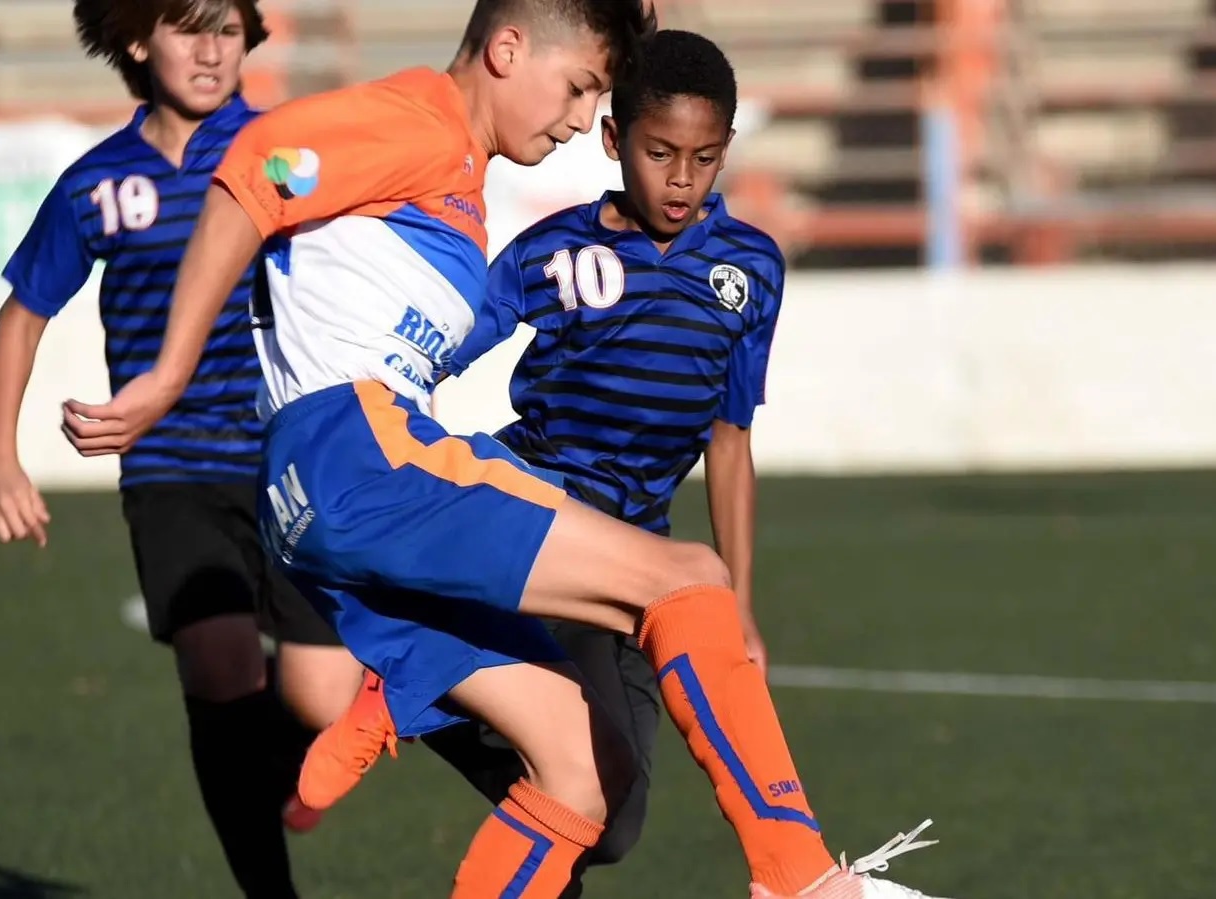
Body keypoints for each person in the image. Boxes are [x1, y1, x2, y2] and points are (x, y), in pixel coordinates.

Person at [60, 2, 947, 895]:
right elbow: (254, 170)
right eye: (575, 90)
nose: (572, 121)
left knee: (583, 775)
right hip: (359, 455)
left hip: (331, 488)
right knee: (690, 579)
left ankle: (398, 688)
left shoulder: (457, 184)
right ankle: (798, 874)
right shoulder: (417, 121)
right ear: (507, 48)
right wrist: (168, 375)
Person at [0, 2, 360, 896]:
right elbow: (22, 313)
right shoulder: (98, 183)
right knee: (222, 665)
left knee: (321, 699)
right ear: (138, 39)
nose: (212, 50)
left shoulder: (289, 150)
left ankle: (280, 750)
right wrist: (1, 454)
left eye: (227, 30)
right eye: (189, 28)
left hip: (289, 457)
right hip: (172, 466)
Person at [420, 28, 775, 897]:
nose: (682, 179)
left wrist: (740, 609)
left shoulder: (752, 270)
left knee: (612, 827)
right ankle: (420, 678)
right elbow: (435, 349)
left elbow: (730, 447)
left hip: (637, 557)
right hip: (533, 522)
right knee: (579, 794)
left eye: (704, 157)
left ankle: (428, 695)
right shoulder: (554, 251)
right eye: (660, 153)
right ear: (616, 142)